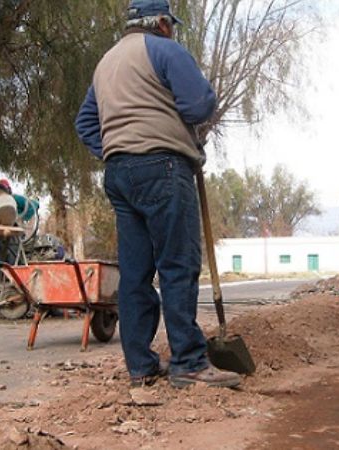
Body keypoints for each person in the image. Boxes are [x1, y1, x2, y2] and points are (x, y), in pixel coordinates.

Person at [75, 0, 241, 389]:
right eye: (171, 25)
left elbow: (85, 123)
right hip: (163, 168)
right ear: (162, 23)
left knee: (135, 274)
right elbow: (199, 104)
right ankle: (189, 363)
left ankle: (140, 367)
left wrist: (118, 147)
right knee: (177, 264)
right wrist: (163, 138)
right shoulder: (165, 50)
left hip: (120, 174)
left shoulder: (106, 63)